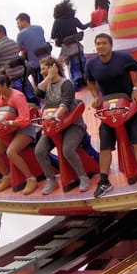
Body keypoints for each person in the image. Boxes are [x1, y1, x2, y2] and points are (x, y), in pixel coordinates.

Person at [85, 32, 137, 197]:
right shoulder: (91, 64)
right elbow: (90, 82)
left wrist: (136, 88)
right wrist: (95, 97)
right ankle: (104, 181)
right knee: (105, 145)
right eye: (98, 43)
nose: (100, 46)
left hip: (128, 106)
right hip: (108, 110)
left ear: (111, 46)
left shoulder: (123, 58)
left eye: (104, 43)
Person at [33, 56, 91, 194]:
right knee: (39, 151)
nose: (41, 72)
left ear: (54, 67)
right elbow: (37, 93)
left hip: (72, 124)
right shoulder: (46, 85)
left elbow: (65, 104)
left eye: (44, 69)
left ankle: (83, 176)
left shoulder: (66, 84)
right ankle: (50, 179)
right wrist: (48, 78)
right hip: (53, 126)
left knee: (67, 149)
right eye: (41, 69)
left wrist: (55, 116)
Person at [0, 73, 39, 195]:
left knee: (11, 152)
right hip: (8, 130)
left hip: (23, 130)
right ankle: (7, 177)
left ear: (4, 85)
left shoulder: (17, 96)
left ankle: (31, 179)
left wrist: (9, 122)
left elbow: (24, 120)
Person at [51, 0, 89, 85]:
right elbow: (83, 27)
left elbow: (53, 36)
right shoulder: (74, 19)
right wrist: (91, 22)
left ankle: (76, 81)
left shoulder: (57, 22)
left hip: (66, 49)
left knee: (66, 66)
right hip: (77, 46)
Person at [15, 13, 50, 83]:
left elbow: (17, 50)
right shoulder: (39, 28)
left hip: (34, 63)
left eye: (18, 23)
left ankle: (30, 92)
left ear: (24, 21)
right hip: (47, 59)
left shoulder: (21, 34)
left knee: (20, 76)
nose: (17, 26)